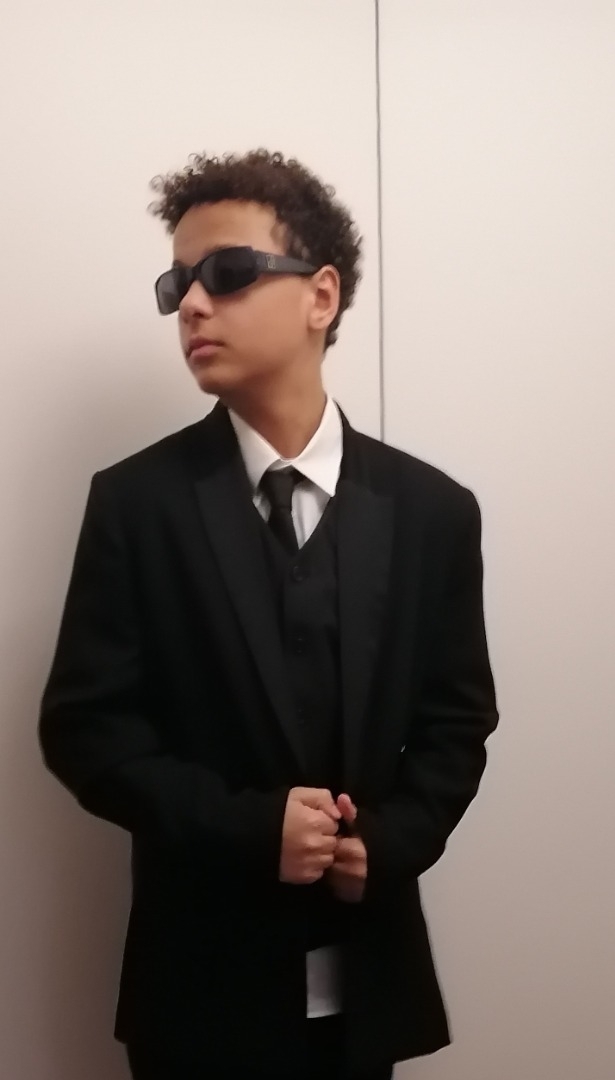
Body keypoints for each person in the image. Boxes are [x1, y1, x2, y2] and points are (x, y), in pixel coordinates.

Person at [39, 149, 499, 1080]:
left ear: (320, 296)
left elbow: (456, 724)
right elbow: (86, 732)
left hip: (366, 984)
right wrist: (249, 833)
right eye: (177, 283)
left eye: (227, 272)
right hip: (196, 989)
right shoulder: (136, 504)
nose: (191, 305)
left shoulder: (432, 512)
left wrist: (392, 841)